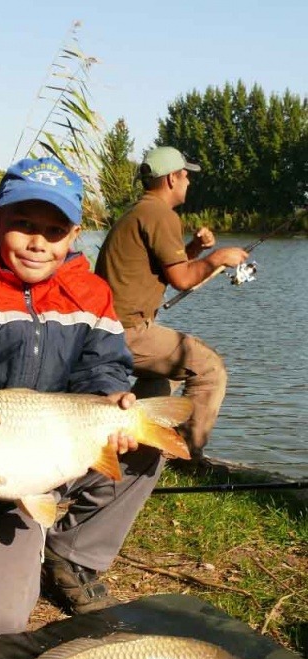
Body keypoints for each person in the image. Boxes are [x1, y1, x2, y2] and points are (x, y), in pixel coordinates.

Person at [0, 157, 164, 637]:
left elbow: (103, 368)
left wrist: (111, 399)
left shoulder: (91, 292)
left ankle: (71, 554)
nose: (39, 242)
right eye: (23, 225)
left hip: (58, 449)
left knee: (146, 442)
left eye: (55, 230)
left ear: (75, 234)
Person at [95, 146, 249, 459]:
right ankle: (186, 456)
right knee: (209, 368)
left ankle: (137, 443)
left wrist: (193, 248)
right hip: (125, 332)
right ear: (170, 179)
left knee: (165, 373)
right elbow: (182, 279)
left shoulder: (142, 211)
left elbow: (168, 268)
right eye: (185, 176)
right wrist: (218, 257)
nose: (188, 182)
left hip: (108, 328)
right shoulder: (160, 214)